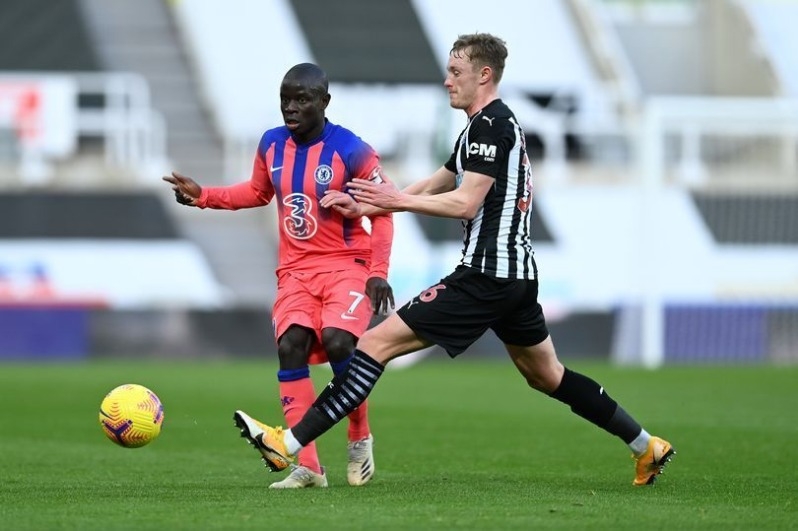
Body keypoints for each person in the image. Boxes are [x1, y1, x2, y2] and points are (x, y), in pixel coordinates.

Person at [232, 34, 675, 487]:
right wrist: (370, 204)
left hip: (485, 276)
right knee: (547, 376)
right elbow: (436, 183)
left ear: (484, 75)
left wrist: (396, 202)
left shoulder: (491, 127)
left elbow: (464, 202)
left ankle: (288, 444)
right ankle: (646, 446)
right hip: (516, 278)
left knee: (373, 346)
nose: (447, 81)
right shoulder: (482, 128)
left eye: (455, 72)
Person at [163, 63, 395, 489]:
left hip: (348, 264)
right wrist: (204, 196)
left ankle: (359, 433)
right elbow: (256, 191)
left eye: (301, 100)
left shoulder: (353, 150)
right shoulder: (271, 144)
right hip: (295, 271)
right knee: (290, 346)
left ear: (324, 102)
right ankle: (308, 468)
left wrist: (378, 273)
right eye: (285, 99)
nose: (291, 108)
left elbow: (384, 211)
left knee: (339, 341)